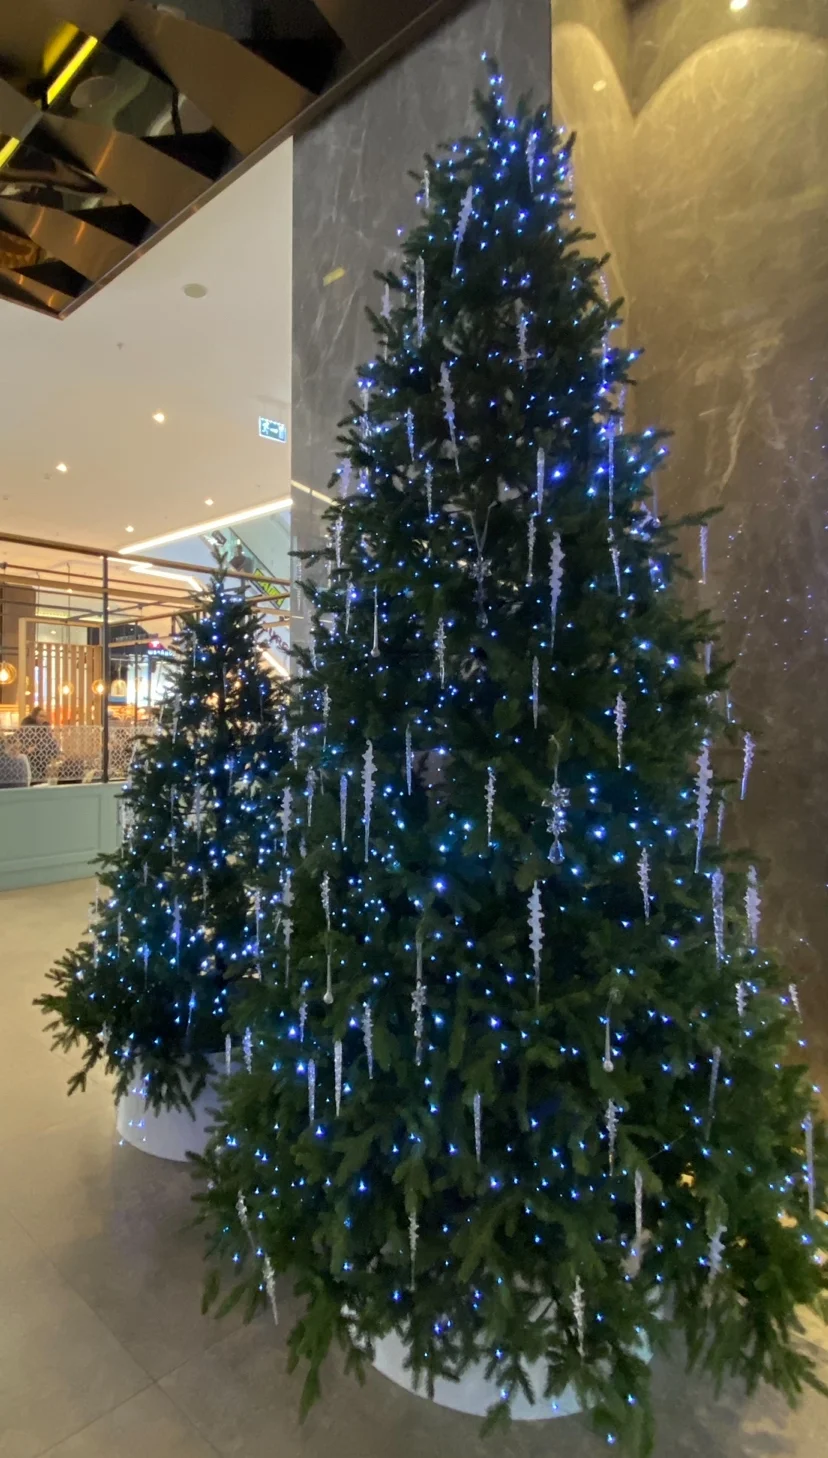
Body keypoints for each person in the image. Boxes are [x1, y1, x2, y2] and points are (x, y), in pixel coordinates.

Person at [17, 706, 61, 783]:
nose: (43, 718)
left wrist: (58, 753)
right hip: (30, 760)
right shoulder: (26, 728)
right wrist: (26, 749)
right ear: (35, 716)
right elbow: (18, 742)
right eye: (41, 716)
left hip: (42, 760)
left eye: (44, 716)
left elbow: (51, 741)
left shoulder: (45, 728)